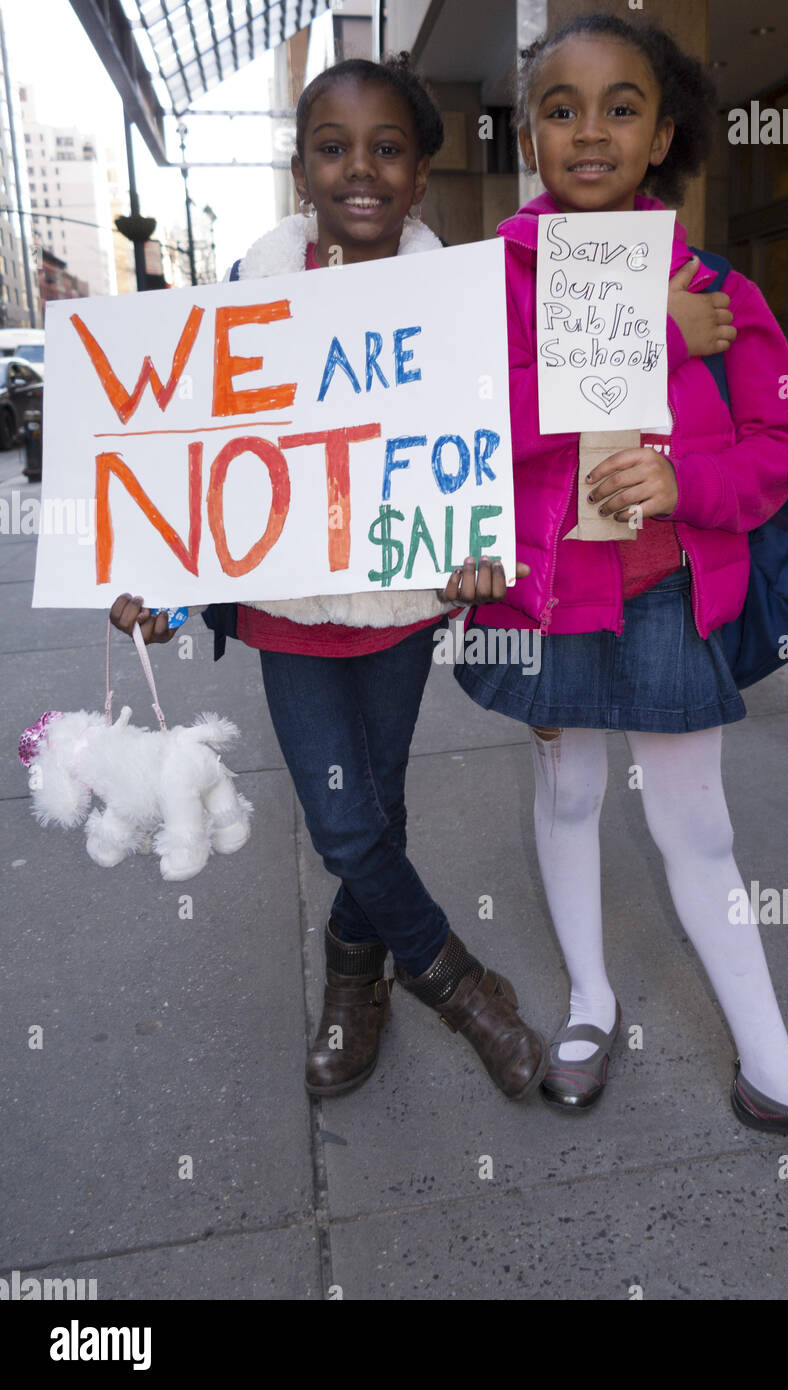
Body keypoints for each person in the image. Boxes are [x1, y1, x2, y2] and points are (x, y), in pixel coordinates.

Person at [453, 13, 788, 1154]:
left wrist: (679, 477)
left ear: (664, 134)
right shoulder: (484, 287)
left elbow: (777, 451)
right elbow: (465, 421)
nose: (591, 132)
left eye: (623, 107)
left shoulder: (721, 289)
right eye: (560, 110)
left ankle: (771, 1065)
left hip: (667, 593)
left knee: (695, 827)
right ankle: (590, 1005)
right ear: (527, 134)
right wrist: (638, 334)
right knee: (566, 795)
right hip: (543, 596)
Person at [110, 55, 548, 1103]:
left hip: (402, 602)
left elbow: (484, 442)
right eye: (332, 148)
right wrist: (156, 582)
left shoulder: (455, 296)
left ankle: (355, 988)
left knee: (378, 812)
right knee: (345, 821)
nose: (361, 169)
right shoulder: (256, 284)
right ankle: (458, 982)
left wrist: (485, 542)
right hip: (290, 604)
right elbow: (197, 447)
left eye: (387, 148)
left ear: (423, 171)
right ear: (300, 169)